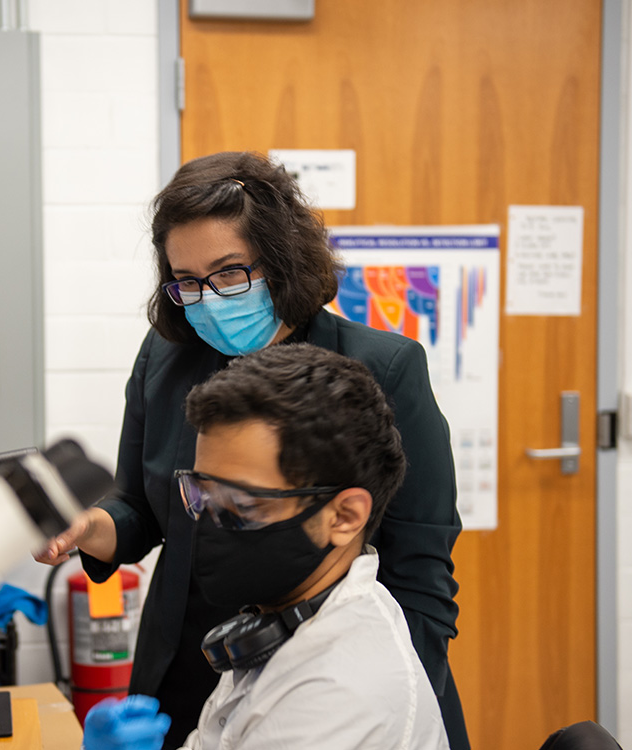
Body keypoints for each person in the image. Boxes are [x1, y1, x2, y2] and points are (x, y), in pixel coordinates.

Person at [36, 151, 466, 749]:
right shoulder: (168, 358)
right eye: (186, 281)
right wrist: (92, 526)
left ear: (281, 261)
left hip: (328, 676)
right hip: (197, 656)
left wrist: (381, 704)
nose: (207, 298)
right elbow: (139, 503)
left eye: (230, 273)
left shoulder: (379, 368)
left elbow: (421, 572)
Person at [83, 343, 450, 749]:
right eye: (203, 494)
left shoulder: (336, 694)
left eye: (242, 505)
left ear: (344, 516)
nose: (209, 523)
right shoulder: (285, 618)